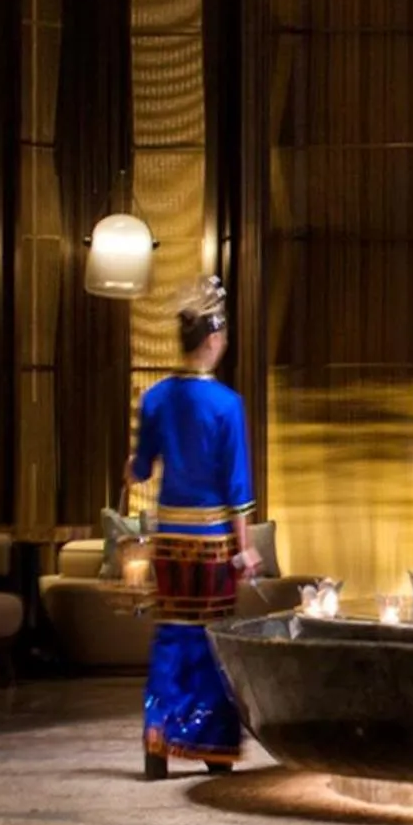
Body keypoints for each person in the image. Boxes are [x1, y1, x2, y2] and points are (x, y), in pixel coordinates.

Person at [127, 277, 256, 781]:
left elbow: (139, 471)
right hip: (212, 543)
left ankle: (158, 736)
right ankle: (212, 745)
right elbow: (238, 486)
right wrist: (245, 551)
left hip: (170, 541)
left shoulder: (155, 398)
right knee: (210, 638)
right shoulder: (227, 405)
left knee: (171, 634)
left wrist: (131, 469)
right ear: (214, 341)